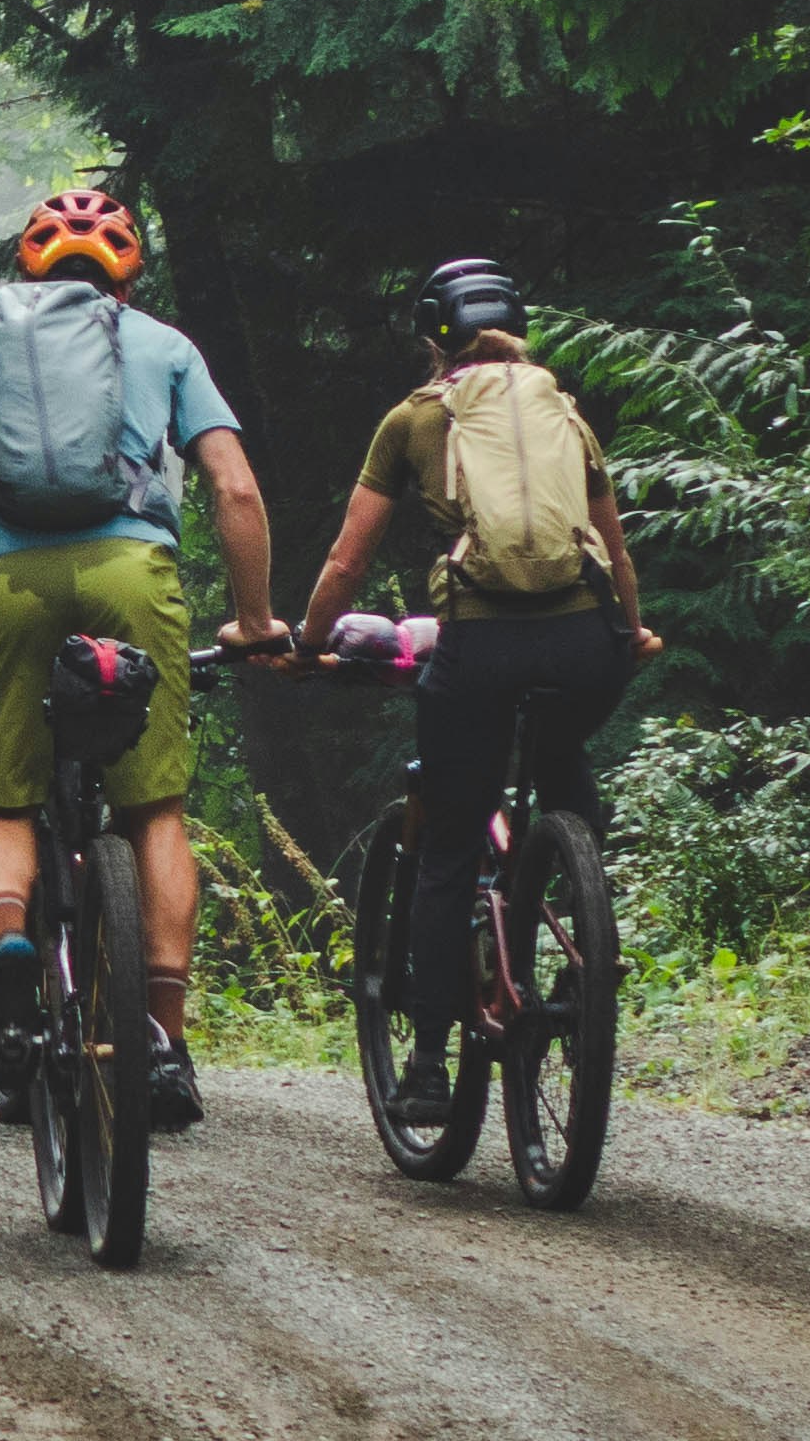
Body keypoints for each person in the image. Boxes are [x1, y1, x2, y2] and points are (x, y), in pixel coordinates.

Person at [0, 188, 272, 1132]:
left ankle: (9, 943)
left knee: (3, 801)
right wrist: (255, 619)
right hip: (131, 571)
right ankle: (161, 1041)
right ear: (128, 266)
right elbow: (233, 486)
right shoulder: (164, 346)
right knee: (154, 808)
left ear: (31, 265)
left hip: (11, 580)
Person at [270, 257, 654, 1133]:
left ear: (434, 336)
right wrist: (629, 634)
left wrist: (307, 643)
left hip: (482, 647)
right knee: (563, 761)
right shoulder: (564, 409)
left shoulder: (414, 417)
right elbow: (615, 551)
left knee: (449, 841)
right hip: (586, 641)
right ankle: (584, 937)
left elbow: (347, 559)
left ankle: (430, 1065)